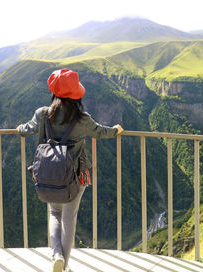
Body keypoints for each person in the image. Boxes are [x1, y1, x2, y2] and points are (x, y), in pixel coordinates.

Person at [17, 68, 124, 272]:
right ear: (76, 96)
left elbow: (26, 130)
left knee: (54, 213)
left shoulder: (42, 114)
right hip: (74, 177)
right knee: (69, 218)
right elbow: (102, 132)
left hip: (48, 175)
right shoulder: (82, 119)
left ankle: (56, 254)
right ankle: (64, 266)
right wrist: (117, 130)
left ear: (54, 93)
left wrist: (18, 129)